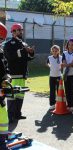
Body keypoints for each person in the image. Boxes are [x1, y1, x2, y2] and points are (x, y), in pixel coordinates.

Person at [4, 23, 35, 123]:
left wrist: (31, 52)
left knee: (20, 95)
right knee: (12, 96)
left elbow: (28, 58)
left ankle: (17, 114)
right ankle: (10, 116)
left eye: (21, 30)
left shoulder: (24, 43)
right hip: (13, 75)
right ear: (13, 32)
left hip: (22, 75)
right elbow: (10, 56)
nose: (20, 31)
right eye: (18, 30)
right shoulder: (9, 44)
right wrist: (23, 51)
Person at [0, 22, 11, 150]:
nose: (1, 42)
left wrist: (7, 79)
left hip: (0, 94)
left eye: (2, 40)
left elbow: (5, 69)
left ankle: (2, 143)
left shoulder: (1, 52)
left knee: (3, 118)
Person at [61, 38, 73, 111]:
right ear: (67, 45)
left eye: (72, 45)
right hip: (66, 75)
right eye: (69, 44)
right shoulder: (64, 53)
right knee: (67, 90)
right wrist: (67, 64)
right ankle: (69, 105)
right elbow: (64, 62)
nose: (70, 46)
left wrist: (65, 65)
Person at [47, 45, 62, 110]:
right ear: (51, 51)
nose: (54, 52)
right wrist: (49, 65)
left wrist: (62, 66)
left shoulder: (61, 57)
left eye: (56, 51)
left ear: (58, 51)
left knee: (59, 91)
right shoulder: (49, 57)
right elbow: (47, 63)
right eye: (53, 51)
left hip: (58, 76)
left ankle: (59, 103)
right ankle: (52, 104)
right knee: (52, 91)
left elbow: (63, 64)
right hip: (52, 76)